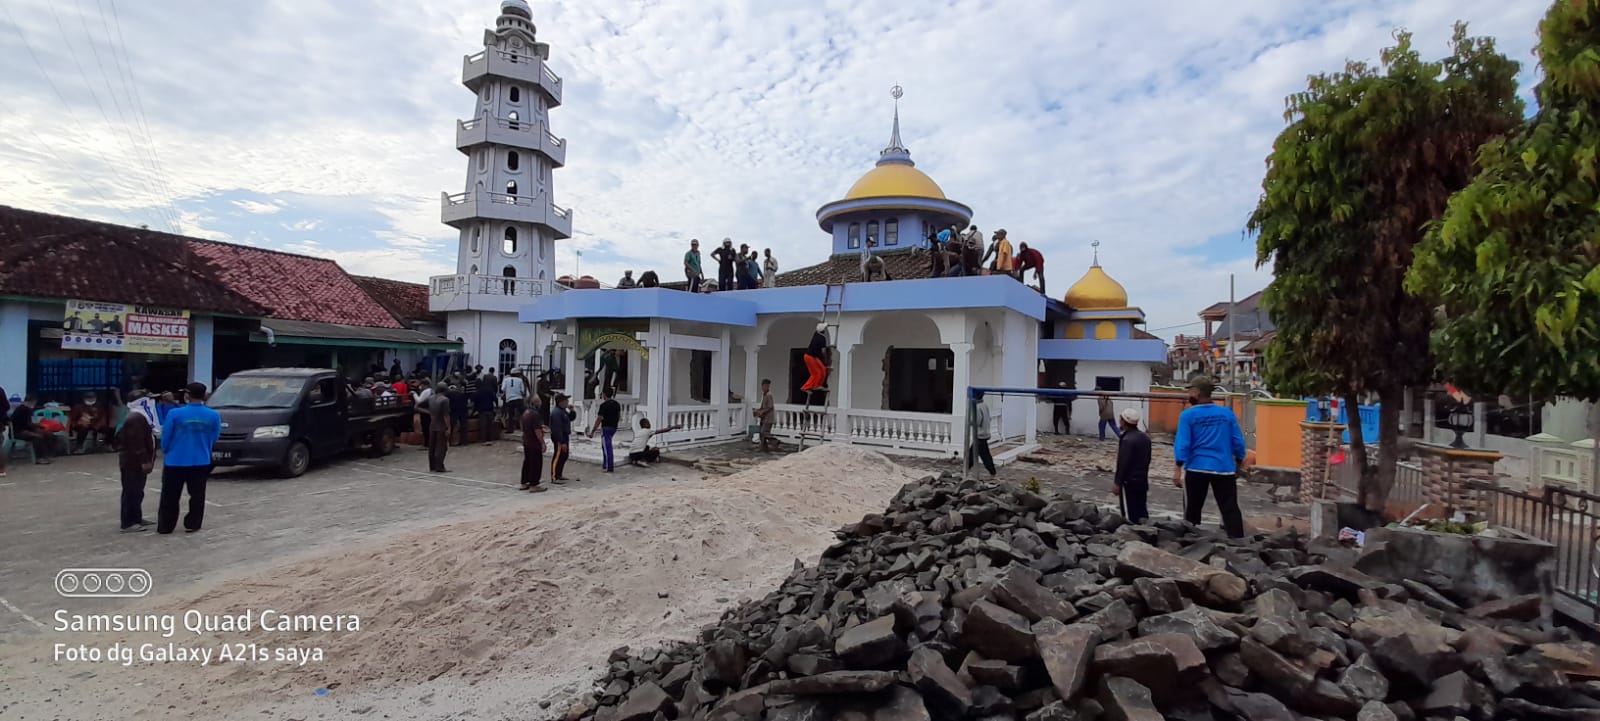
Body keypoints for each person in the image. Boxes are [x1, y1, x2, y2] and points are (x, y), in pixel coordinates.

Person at [1174, 375, 1248, 539]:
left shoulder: (1187, 416)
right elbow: (1238, 442)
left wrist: (1178, 468)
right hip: (1224, 469)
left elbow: (1183, 444)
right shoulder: (1226, 414)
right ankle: (1238, 542)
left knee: (1192, 508)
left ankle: (1190, 542)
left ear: (1196, 392)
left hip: (1196, 468)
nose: (1189, 395)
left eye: (1190, 391)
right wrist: (1239, 461)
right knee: (1229, 507)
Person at [157, 382, 221, 534]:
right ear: (204, 395)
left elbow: (166, 437)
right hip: (201, 460)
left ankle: (166, 526)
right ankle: (193, 523)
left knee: (170, 496)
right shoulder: (213, 415)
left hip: (175, 461)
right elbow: (214, 436)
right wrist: (204, 447)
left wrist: (167, 451)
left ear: (187, 395)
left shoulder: (175, 414)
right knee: (197, 495)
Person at [118, 392, 157, 532]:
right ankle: (128, 522)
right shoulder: (136, 418)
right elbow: (136, 443)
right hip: (133, 462)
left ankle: (137, 517)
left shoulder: (141, 416)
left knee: (138, 491)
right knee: (131, 491)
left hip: (136, 461)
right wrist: (144, 460)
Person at [1113, 408, 1151, 523]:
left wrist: (1117, 482)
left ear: (1124, 421)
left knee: (1130, 514)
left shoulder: (1127, 440)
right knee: (1141, 510)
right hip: (1142, 480)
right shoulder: (1145, 438)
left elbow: (1123, 463)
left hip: (1129, 482)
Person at [10, 394, 53, 464]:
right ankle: (39, 458)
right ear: (32, 402)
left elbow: (28, 424)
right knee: (38, 437)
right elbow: (27, 424)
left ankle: (47, 456)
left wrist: (38, 427)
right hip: (19, 431)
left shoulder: (25, 409)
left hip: (25, 429)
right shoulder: (23, 409)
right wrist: (38, 427)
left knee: (48, 434)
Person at [587, 387, 622, 472]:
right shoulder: (617, 404)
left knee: (607, 447)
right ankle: (605, 464)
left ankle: (609, 467)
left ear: (604, 395)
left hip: (606, 427)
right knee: (605, 446)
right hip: (613, 427)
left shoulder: (603, 405)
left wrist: (593, 431)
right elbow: (619, 416)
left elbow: (599, 419)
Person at [520, 397, 547, 492]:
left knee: (527, 462)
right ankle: (534, 484)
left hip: (526, 441)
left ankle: (524, 482)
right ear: (535, 403)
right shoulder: (535, 414)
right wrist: (542, 443)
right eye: (539, 401)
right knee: (536, 463)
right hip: (534, 442)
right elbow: (537, 431)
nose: (540, 403)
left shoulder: (526, 413)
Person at [424, 383, 452, 472]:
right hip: (441, 426)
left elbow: (416, 406)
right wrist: (449, 427)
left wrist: (429, 413)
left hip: (432, 425)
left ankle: (432, 466)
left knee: (432, 446)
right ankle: (439, 466)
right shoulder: (445, 400)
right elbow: (446, 415)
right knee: (441, 447)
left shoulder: (431, 398)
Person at [548, 394, 576, 483]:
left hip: (565, 436)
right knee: (558, 455)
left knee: (564, 456)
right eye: (566, 400)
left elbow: (570, 418)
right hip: (560, 437)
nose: (567, 402)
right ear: (561, 402)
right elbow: (557, 428)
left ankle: (559, 474)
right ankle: (554, 477)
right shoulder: (556, 413)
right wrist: (561, 441)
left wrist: (572, 411)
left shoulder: (563, 411)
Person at [968, 391, 996, 477]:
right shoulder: (985, 405)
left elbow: (977, 421)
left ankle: (965, 471)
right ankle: (992, 472)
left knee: (977, 456)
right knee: (984, 455)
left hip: (980, 435)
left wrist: (970, 422)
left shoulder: (978, 407)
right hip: (985, 433)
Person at [800, 322, 830, 396]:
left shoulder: (816, 333)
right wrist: (826, 360)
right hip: (809, 357)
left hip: (812, 356)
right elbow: (823, 352)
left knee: (823, 369)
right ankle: (806, 387)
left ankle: (818, 385)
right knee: (817, 373)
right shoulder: (822, 339)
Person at [752, 379, 776, 452]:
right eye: (765, 386)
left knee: (764, 432)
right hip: (764, 418)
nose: (766, 387)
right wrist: (758, 410)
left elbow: (770, 407)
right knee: (762, 434)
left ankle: (775, 441)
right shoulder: (764, 394)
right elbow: (763, 406)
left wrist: (761, 412)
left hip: (769, 418)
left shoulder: (769, 395)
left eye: (767, 386)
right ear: (762, 386)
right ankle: (763, 449)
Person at [472, 377, 498, 443]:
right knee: (490, 425)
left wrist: (473, 412)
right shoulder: (489, 390)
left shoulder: (477, 392)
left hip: (482, 411)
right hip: (490, 410)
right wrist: (496, 407)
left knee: (483, 426)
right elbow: (495, 398)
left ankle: (483, 440)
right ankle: (490, 439)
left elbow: (474, 403)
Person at [415, 379, 435, 446]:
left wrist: (414, 394)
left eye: (422, 385)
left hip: (425, 412)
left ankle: (427, 444)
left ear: (425, 385)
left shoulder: (426, 391)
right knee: (429, 428)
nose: (421, 386)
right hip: (430, 411)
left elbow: (419, 401)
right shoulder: (431, 391)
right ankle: (429, 443)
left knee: (425, 428)